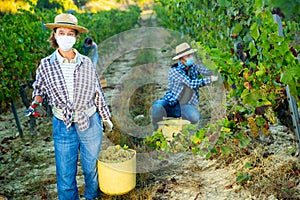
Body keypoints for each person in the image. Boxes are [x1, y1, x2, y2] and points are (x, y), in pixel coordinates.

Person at [30, 13, 113, 200]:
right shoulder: (45, 65)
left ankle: (92, 196)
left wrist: (105, 117)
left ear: (75, 37)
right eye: (61, 32)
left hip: (89, 120)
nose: (66, 37)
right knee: (65, 174)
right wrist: (36, 102)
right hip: (63, 123)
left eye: (70, 33)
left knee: (90, 168)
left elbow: (97, 91)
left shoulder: (86, 63)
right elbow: (39, 89)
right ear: (54, 35)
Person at [151, 42, 219, 130]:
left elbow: (207, 71)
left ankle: (178, 121)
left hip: (185, 106)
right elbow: (191, 84)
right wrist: (209, 79)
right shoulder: (175, 71)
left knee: (195, 116)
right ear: (181, 59)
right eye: (187, 56)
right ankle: (156, 128)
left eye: (190, 55)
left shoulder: (193, 67)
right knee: (157, 106)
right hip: (171, 104)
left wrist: (217, 70)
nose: (191, 58)